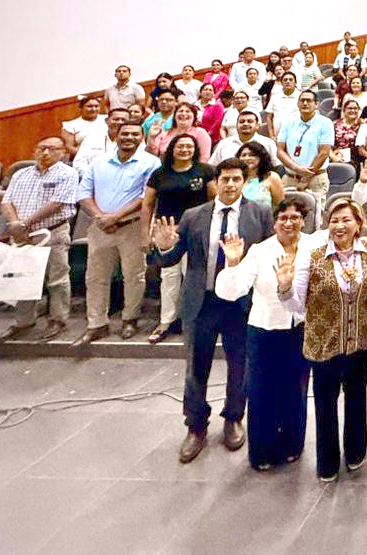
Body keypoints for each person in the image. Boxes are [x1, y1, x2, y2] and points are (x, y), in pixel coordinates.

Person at [147, 157, 273, 463]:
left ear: (245, 182)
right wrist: (164, 246)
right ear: (216, 182)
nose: (230, 185)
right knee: (195, 366)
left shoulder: (260, 213)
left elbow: (270, 256)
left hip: (240, 304)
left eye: (236, 179)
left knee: (239, 364)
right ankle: (196, 426)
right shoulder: (194, 215)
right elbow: (169, 258)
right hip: (200, 301)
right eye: (224, 179)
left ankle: (233, 418)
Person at [278, 197, 367, 481]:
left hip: (361, 341)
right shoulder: (313, 255)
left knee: (357, 398)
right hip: (324, 344)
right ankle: (327, 463)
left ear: (359, 224)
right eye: (334, 220)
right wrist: (284, 288)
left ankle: (356, 452)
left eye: (346, 220)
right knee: (325, 404)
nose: (339, 226)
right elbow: (297, 305)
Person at [74, 123, 159, 346]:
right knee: (95, 278)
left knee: (134, 276)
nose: (129, 137)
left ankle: (130, 319)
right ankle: (97, 324)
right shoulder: (98, 163)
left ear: (142, 138)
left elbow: (146, 198)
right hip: (100, 228)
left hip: (132, 226)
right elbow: (83, 194)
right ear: (116, 135)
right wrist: (101, 217)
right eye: (125, 133)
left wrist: (116, 217)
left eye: (135, 134)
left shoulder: (151, 163)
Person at [0, 137, 78, 343]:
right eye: (42, 148)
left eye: (52, 149)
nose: (46, 153)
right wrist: (15, 224)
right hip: (22, 235)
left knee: (57, 278)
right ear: (35, 151)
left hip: (52, 232)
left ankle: (57, 320)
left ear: (63, 153)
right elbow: (6, 201)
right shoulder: (21, 174)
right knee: (23, 278)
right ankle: (23, 322)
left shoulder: (68, 173)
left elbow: (57, 203)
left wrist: (25, 224)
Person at [142, 133, 216, 344]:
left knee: (193, 276)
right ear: (172, 149)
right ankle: (166, 321)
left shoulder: (204, 171)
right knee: (169, 277)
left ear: (195, 150)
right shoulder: (159, 174)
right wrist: (145, 234)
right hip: (167, 231)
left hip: (197, 230)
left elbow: (214, 199)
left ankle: (194, 320)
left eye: (189, 146)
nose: (184, 150)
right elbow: (148, 204)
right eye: (180, 146)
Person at [277, 91, 334, 205]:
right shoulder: (288, 123)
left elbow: (324, 153)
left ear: (316, 104)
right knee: (284, 213)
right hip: (290, 177)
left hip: (315, 178)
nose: (305, 103)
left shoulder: (325, 123)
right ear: (297, 104)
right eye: (302, 100)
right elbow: (280, 151)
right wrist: (297, 168)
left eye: (309, 101)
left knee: (315, 214)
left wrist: (306, 177)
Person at [210, 111, 280, 168]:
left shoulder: (268, 143)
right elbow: (212, 166)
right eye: (242, 121)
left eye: (250, 121)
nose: (245, 124)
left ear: (257, 126)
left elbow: (277, 166)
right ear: (236, 126)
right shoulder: (224, 143)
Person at [236, 142, 285, 207]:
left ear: (261, 157)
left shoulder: (272, 177)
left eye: (252, 155)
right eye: (243, 155)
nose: (247, 158)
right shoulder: (234, 178)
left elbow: (280, 206)